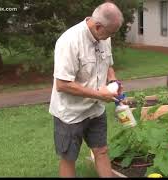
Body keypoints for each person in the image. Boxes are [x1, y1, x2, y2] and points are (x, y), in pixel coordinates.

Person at [49, 2, 124, 177]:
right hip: (70, 114)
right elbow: (62, 84)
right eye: (110, 33)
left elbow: (108, 64)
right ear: (98, 26)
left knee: (102, 151)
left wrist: (113, 81)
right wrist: (100, 94)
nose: (111, 37)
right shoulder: (69, 41)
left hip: (95, 110)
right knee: (69, 158)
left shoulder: (104, 37)